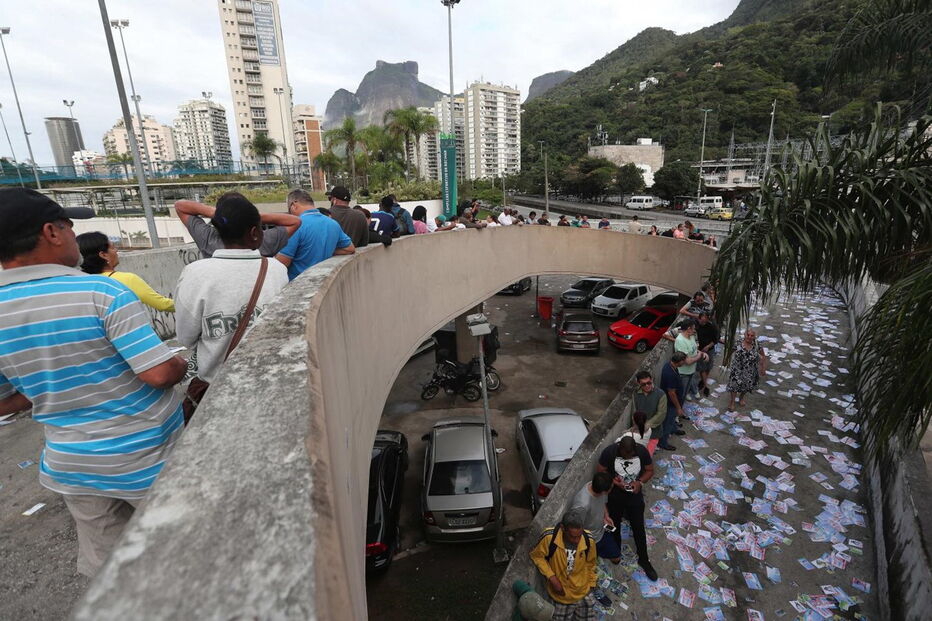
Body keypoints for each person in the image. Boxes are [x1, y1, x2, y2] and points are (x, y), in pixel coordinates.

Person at [0, 188, 187, 577]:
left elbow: (8, 402)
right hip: (145, 458)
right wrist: (180, 363)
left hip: (73, 466)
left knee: (111, 573)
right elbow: (157, 374)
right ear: (51, 232)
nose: (73, 237)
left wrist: (50, 384)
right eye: (69, 227)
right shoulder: (101, 292)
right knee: (179, 559)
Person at [175, 193, 289, 387]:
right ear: (254, 232)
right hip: (268, 380)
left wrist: (221, 214)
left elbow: (186, 337)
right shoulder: (276, 269)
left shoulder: (194, 273)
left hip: (216, 384)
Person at [597, 436, 657, 581]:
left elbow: (650, 470)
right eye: (624, 455)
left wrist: (640, 482)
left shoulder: (642, 452)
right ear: (620, 449)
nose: (627, 457)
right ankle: (616, 550)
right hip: (615, 497)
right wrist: (614, 482)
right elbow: (600, 471)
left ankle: (644, 559)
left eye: (630, 455)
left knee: (638, 527)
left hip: (634, 497)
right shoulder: (609, 452)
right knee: (614, 524)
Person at [174, 195, 300, 259]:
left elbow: (180, 206)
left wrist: (218, 213)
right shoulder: (263, 241)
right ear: (254, 232)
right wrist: (251, 216)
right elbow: (294, 221)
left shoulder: (208, 240)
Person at [77, 231, 175, 312]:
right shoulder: (126, 280)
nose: (116, 251)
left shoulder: (81, 283)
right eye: (112, 247)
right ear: (104, 255)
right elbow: (163, 305)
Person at [530, 509, 599, 618]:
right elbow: (537, 556)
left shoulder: (588, 539)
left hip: (583, 591)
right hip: (561, 596)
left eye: (579, 536)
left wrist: (591, 584)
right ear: (562, 528)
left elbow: (591, 563)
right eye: (573, 536)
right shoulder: (549, 538)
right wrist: (552, 578)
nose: (577, 540)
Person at [276, 188, 355, 280]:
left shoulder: (295, 226)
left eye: (289, 209)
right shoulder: (333, 223)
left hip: (298, 283)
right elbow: (350, 249)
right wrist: (326, 249)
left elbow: (282, 263)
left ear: (294, 205)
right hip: (323, 281)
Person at [569, 472, 619, 564]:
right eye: (611, 488)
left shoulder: (597, 485)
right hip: (591, 539)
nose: (613, 488)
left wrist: (606, 516)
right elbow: (575, 527)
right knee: (590, 562)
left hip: (602, 531)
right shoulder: (582, 505)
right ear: (603, 491)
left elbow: (603, 502)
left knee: (616, 558)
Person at [726, 329, 768, 410]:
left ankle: (741, 398)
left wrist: (763, 368)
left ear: (754, 337)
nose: (749, 337)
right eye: (748, 335)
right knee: (734, 386)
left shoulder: (756, 344)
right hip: (737, 369)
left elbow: (763, 356)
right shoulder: (738, 342)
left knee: (746, 386)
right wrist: (726, 360)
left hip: (750, 370)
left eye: (752, 336)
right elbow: (730, 351)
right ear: (745, 335)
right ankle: (732, 402)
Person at [658, 351, 688, 450]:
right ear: (679, 362)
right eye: (683, 361)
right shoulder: (670, 374)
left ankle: (673, 429)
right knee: (668, 421)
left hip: (673, 401)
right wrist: (678, 407)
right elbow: (671, 393)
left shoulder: (670, 365)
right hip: (671, 403)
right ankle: (663, 443)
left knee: (672, 420)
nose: (684, 363)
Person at [674, 319, 707, 401]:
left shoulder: (691, 336)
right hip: (684, 373)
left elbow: (695, 350)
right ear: (689, 329)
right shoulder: (680, 341)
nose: (695, 330)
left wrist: (702, 354)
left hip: (691, 370)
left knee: (687, 389)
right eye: (694, 328)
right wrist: (699, 356)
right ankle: (680, 408)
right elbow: (687, 361)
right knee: (682, 392)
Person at [632, 371, 668, 442]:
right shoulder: (635, 394)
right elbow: (634, 412)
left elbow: (661, 413)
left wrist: (646, 425)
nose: (647, 386)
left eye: (649, 383)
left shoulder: (661, 394)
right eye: (643, 384)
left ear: (651, 380)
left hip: (654, 433)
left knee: (648, 452)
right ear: (639, 383)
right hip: (639, 432)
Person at [695, 312, 720, 397]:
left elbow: (716, 339)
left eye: (705, 318)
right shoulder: (696, 326)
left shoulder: (711, 327)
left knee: (708, 367)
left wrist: (708, 346)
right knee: (702, 368)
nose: (703, 321)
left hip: (710, 349)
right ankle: (706, 386)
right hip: (700, 350)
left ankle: (703, 381)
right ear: (699, 318)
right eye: (702, 319)